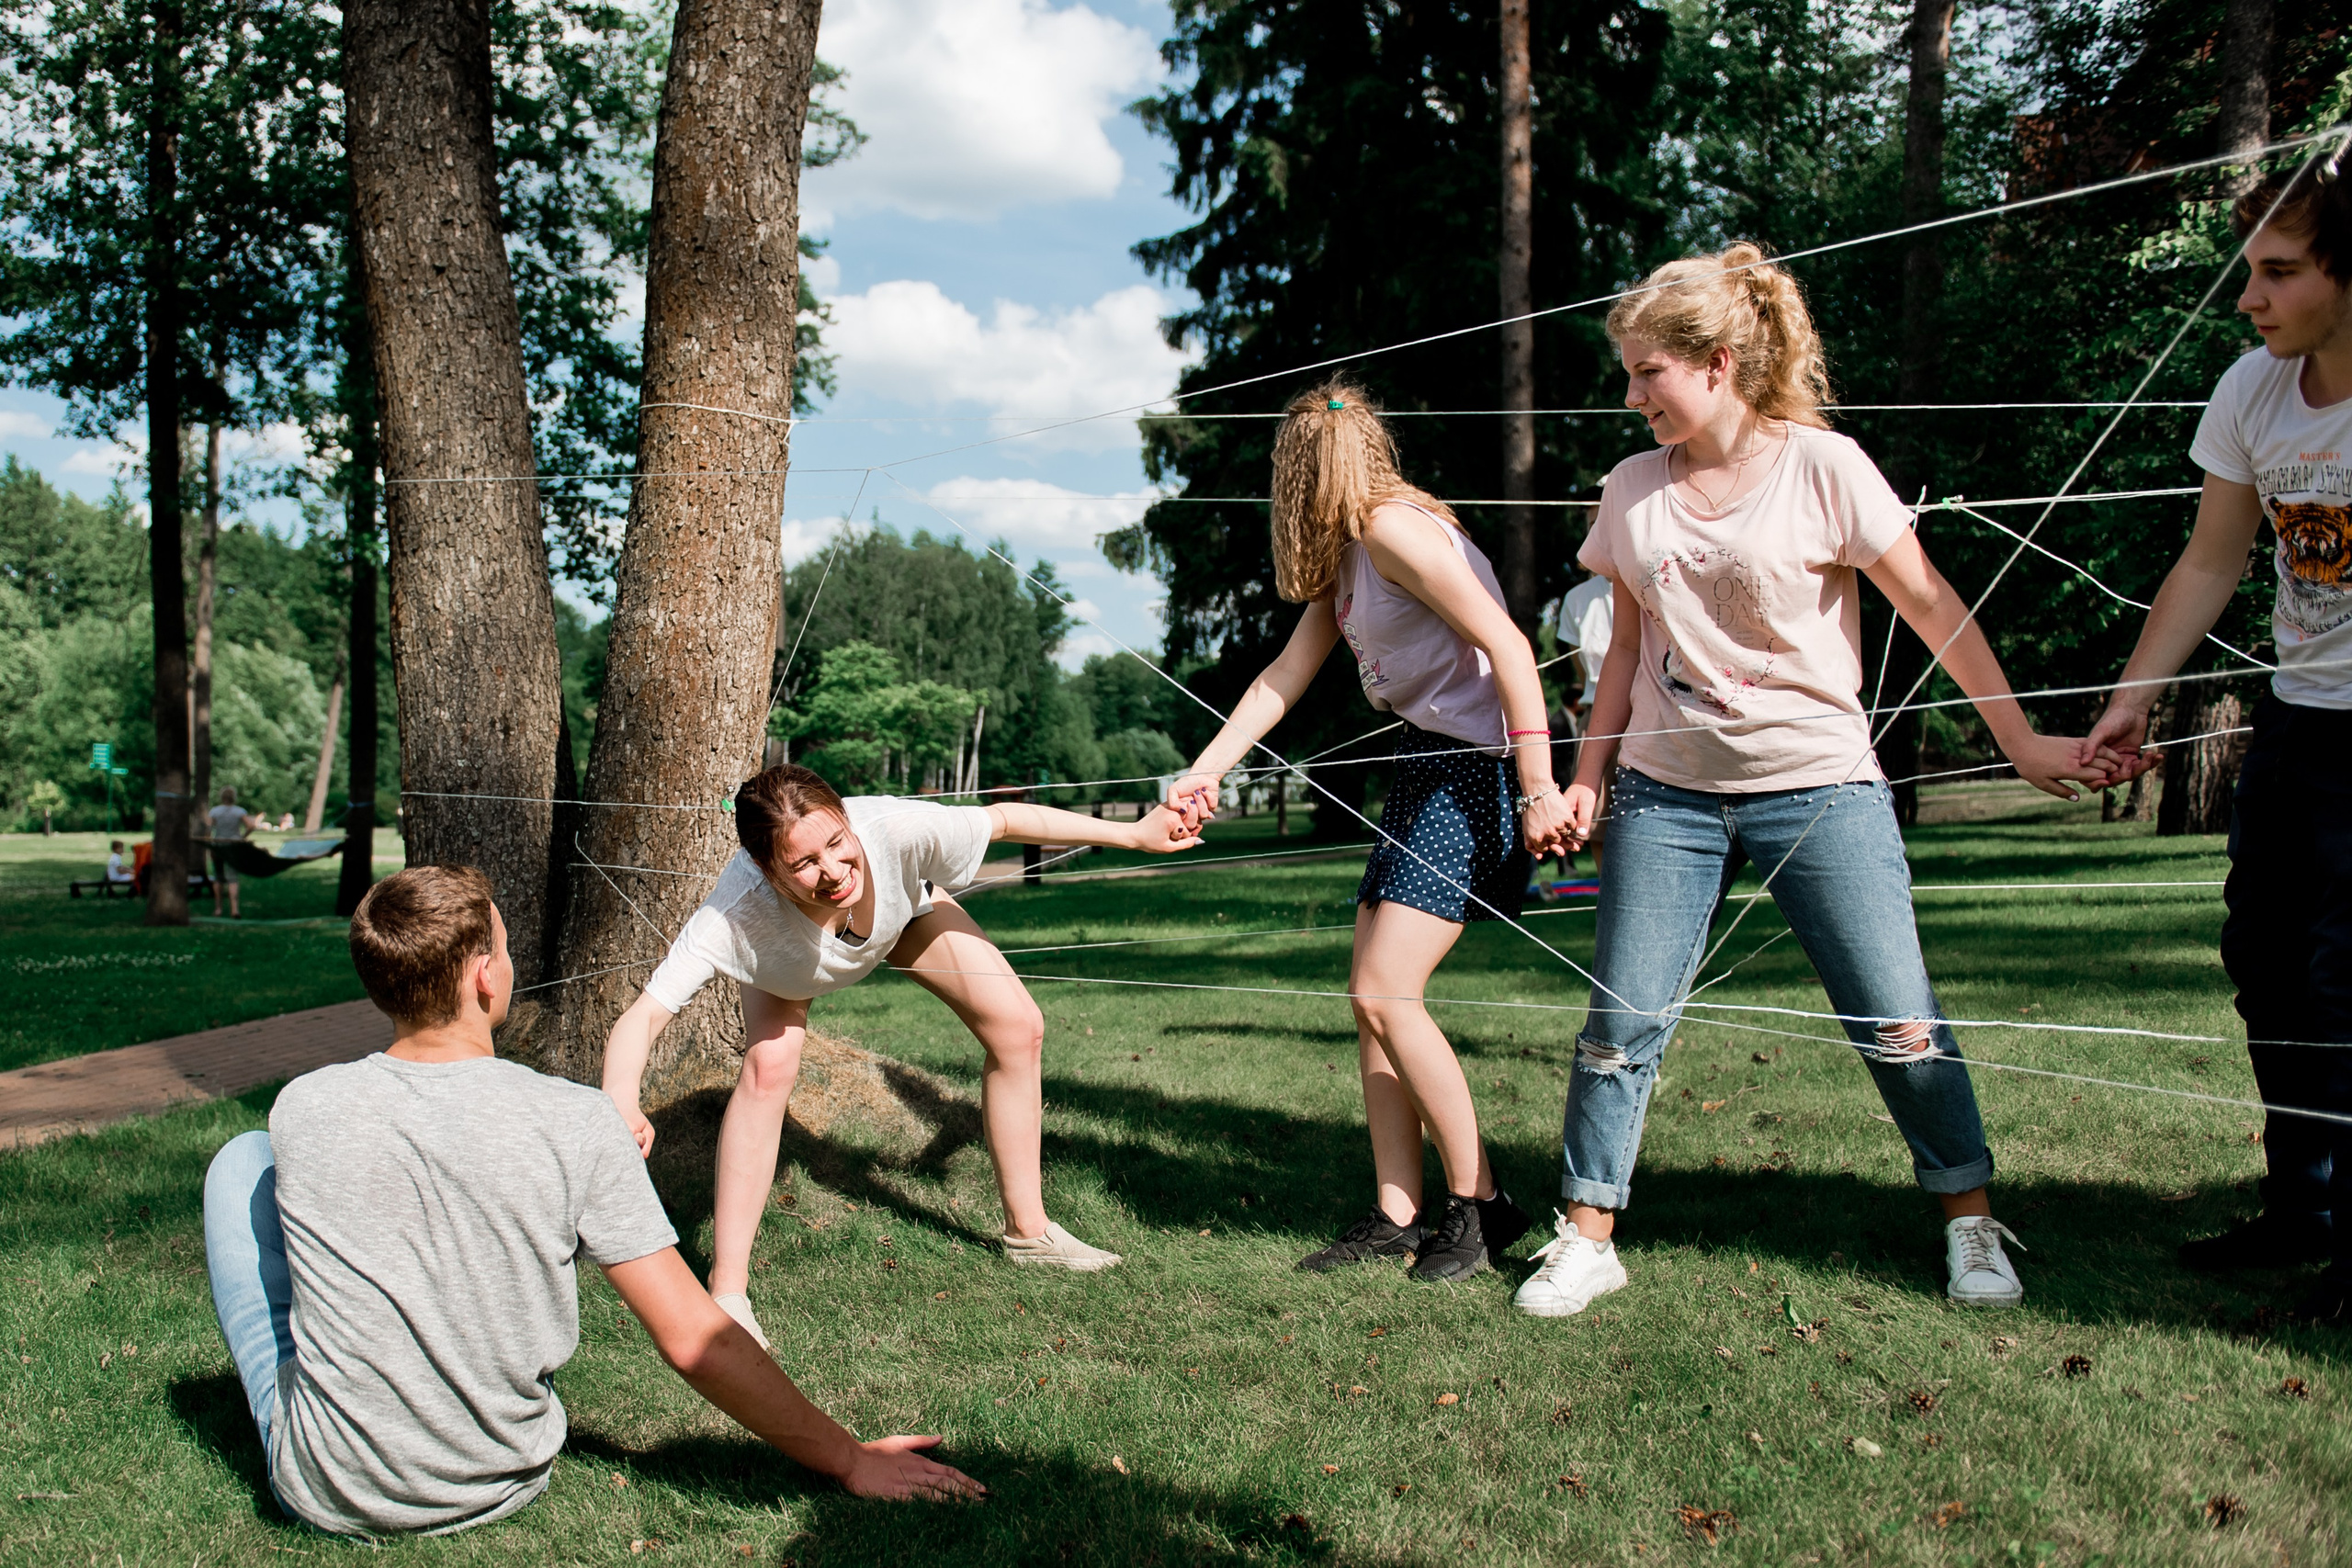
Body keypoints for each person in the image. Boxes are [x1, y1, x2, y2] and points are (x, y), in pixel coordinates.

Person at [1510, 243, 2116, 1320]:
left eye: (1648, 370)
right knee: (1620, 1021)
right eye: (1629, 371)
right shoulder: (1630, 489)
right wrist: (1586, 779)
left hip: (1818, 785)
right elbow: (1622, 650)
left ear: (1720, 362)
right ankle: (1586, 1235)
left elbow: (1934, 607)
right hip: (1665, 792)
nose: (1631, 392)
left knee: (1897, 1018)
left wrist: (2020, 741)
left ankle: (1969, 1224)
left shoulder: (1824, 467)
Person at [199, 866, 981, 1538]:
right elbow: (691, 1336)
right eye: (503, 947)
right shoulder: (576, 1118)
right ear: (484, 976)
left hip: (323, 1490)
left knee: (243, 1162)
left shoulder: (304, 1106)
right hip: (499, 1480)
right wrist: (848, 1456)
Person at [1162, 379, 1574, 1283]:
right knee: (1368, 1001)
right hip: (1423, 765)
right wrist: (1207, 769)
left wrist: (1540, 785)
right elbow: (1281, 676)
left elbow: (1509, 646)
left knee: (1389, 993)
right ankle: (1396, 1212)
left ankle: (1480, 1204)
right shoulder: (1352, 554)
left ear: (1304, 472)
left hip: (1474, 771)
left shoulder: (1393, 532)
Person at [602, 766, 1200, 1348]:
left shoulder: (891, 826)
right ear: (766, 868)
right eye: (805, 863)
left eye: (837, 843)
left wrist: (1133, 833)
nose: (834, 871)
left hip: (902, 915)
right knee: (769, 1069)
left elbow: (1007, 818)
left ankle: (1030, 1233)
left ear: (844, 818)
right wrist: (623, 1100)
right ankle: (729, 1294)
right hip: (789, 967)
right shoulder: (734, 912)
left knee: (1019, 1028)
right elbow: (644, 1016)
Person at [2076, 165, 2352, 1321]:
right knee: (2271, 968)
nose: (2250, 296)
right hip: (2297, 724)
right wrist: (2134, 694)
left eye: (2279, 271)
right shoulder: (2254, 388)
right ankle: (2305, 1208)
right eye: (2252, 270)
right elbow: (2212, 558)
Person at [1551, 570, 1616, 880]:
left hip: (1655, 712)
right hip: (1599, 712)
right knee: (1599, 822)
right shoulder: (1578, 598)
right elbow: (1582, 672)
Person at [205, 786, 261, 918]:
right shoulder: (239, 811)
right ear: (233, 797)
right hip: (234, 846)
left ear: (221, 797)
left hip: (218, 846)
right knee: (233, 878)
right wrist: (242, 837)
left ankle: (218, 909)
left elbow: (208, 830)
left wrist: (210, 844)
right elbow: (251, 826)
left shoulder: (215, 811)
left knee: (218, 877)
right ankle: (234, 910)